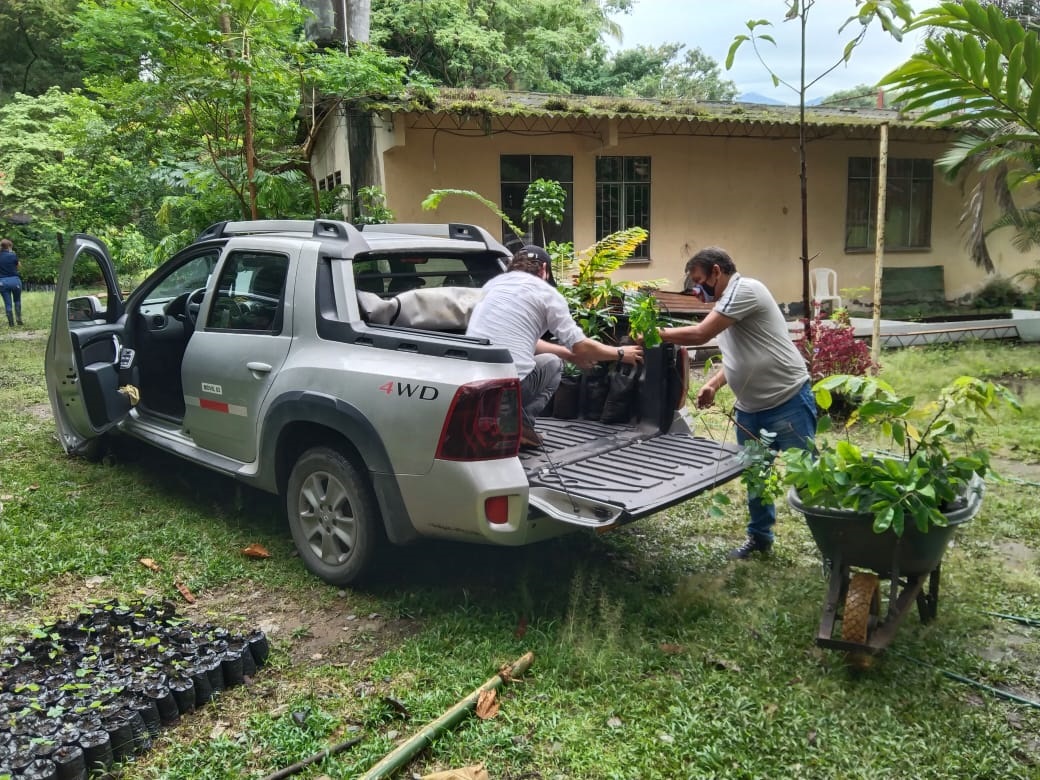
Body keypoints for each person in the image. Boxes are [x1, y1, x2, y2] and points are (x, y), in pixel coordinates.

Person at [657, 246, 816, 559]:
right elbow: (740, 356)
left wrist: (653, 333)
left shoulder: (745, 289)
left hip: (788, 401)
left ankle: (832, 543)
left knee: (809, 479)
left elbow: (702, 335)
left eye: (700, 281)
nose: (697, 290)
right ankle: (760, 539)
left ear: (718, 271)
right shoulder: (725, 304)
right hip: (750, 410)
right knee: (757, 478)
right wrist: (714, 384)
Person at [467, 244, 643, 448]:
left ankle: (502, 424)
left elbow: (525, 342)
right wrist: (620, 353)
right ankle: (521, 427)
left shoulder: (492, 286)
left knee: (552, 358)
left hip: (473, 386)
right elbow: (581, 346)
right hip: (506, 390)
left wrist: (569, 355)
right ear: (543, 269)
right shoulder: (546, 294)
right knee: (552, 364)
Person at [0, 238, 23, 327]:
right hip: (15, 281)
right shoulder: (13, 255)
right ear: (9, 246)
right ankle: (19, 319)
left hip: (2, 282)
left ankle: (11, 323)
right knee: (17, 300)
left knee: (7, 303)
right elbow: (19, 266)